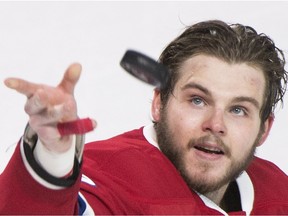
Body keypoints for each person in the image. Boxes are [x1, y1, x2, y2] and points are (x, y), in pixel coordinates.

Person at [0, 20, 288, 215]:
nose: (215, 124)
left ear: (264, 129)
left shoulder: (276, 189)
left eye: (238, 110)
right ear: (159, 103)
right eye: (197, 100)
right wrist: (51, 158)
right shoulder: (110, 178)